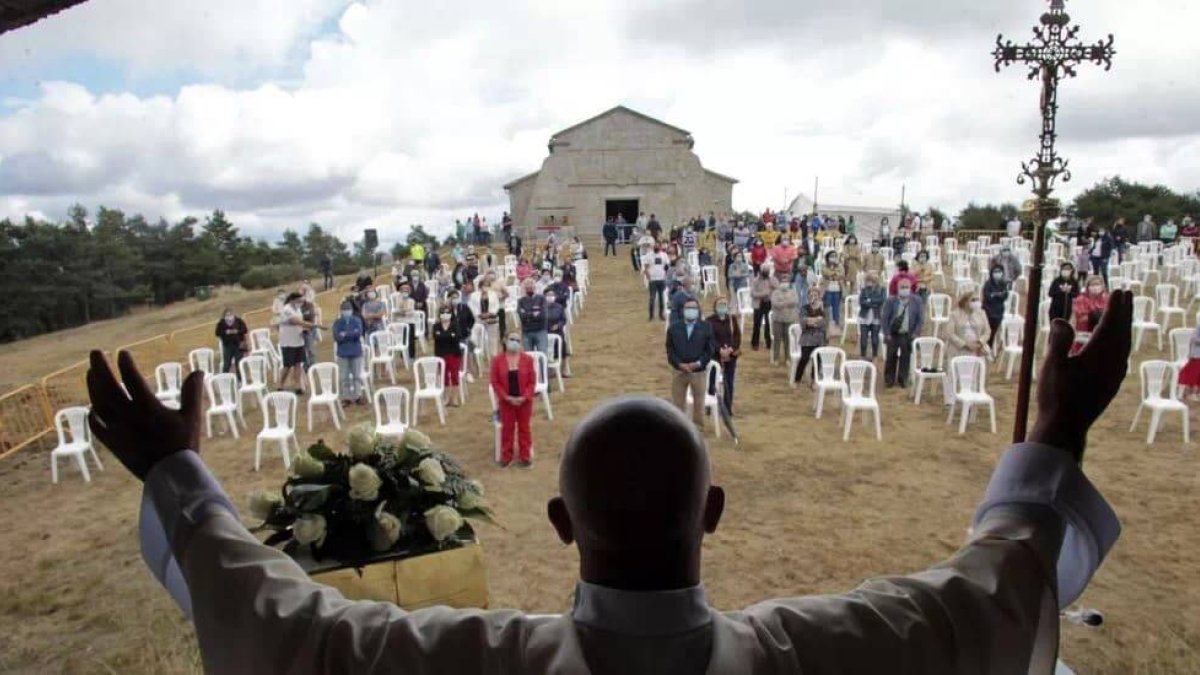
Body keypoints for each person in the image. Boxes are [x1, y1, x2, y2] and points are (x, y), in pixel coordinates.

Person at [87, 278, 1131, 673]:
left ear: (558, 524)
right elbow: (991, 595)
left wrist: (178, 472)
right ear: (712, 513)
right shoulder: (825, 655)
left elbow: (286, 628)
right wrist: (1056, 429)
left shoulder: (467, 662)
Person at [665, 298, 715, 427]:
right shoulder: (674, 328)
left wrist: (698, 363)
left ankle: (698, 430)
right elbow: (670, 351)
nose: (690, 311)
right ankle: (679, 428)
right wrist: (679, 364)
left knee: (699, 404)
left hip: (698, 373)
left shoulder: (706, 327)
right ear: (683, 310)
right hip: (679, 372)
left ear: (698, 311)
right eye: (688, 308)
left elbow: (709, 351)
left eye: (693, 308)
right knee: (678, 404)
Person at [944, 292, 993, 406]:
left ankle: (970, 399)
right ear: (966, 302)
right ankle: (950, 400)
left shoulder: (981, 313)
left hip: (975, 349)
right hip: (957, 349)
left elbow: (987, 331)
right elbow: (950, 333)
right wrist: (965, 344)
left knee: (973, 374)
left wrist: (980, 342)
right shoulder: (954, 314)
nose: (976, 302)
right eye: (973, 300)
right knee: (953, 374)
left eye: (977, 299)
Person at [880, 279, 924, 389]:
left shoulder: (917, 300)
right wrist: (886, 333)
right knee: (891, 356)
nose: (904, 290)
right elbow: (884, 318)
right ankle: (889, 379)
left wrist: (916, 333)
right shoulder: (891, 301)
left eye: (906, 287)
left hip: (907, 334)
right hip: (893, 333)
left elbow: (920, 319)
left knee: (905, 356)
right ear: (898, 289)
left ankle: (902, 378)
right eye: (902, 287)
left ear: (910, 288)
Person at [706, 297, 740, 414]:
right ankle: (709, 406)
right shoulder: (709, 321)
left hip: (731, 356)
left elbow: (737, 336)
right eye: (720, 304)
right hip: (714, 356)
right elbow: (709, 338)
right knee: (712, 381)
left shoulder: (732, 319)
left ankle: (727, 408)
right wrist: (719, 350)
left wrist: (731, 349)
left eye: (725, 304)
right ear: (715, 307)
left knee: (729, 382)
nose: (723, 307)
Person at [331, 302, 367, 407]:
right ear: (341, 311)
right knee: (344, 377)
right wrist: (350, 334)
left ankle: (357, 396)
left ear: (351, 311)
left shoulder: (356, 320)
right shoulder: (337, 322)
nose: (346, 312)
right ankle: (346, 397)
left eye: (348, 309)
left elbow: (358, 333)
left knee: (357, 375)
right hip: (343, 353)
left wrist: (345, 334)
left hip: (356, 352)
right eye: (344, 310)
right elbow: (337, 337)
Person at [277, 292, 313, 395]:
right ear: (293, 300)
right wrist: (312, 325)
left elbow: (300, 322)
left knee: (298, 363)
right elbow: (295, 321)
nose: (300, 303)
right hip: (288, 341)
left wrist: (304, 329)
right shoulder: (286, 309)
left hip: (298, 340)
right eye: (299, 301)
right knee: (287, 365)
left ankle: (297, 386)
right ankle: (280, 384)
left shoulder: (297, 309)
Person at [792, 287, 827, 386]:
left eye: (815, 295)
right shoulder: (804, 308)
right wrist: (815, 320)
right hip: (807, 338)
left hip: (819, 338)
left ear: (819, 297)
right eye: (811, 295)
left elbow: (824, 323)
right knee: (804, 358)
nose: (813, 297)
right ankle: (797, 379)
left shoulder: (823, 309)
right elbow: (803, 322)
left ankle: (813, 380)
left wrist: (811, 320)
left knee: (818, 359)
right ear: (808, 297)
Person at [431, 308, 464, 407]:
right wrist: (450, 335)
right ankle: (446, 398)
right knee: (444, 376)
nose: (445, 315)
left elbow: (457, 337)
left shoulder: (456, 325)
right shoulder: (436, 326)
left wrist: (443, 335)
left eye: (447, 313)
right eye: (443, 313)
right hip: (441, 354)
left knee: (454, 375)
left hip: (454, 354)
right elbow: (436, 337)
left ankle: (454, 398)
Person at [1072, 275, 1110, 354]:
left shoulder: (1107, 299)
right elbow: (1082, 318)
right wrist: (1095, 314)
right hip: (1085, 332)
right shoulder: (1081, 299)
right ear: (1088, 286)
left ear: (1102, 286)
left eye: (1098, 284)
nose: (1095, 287)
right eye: (1092, 285)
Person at [769, 273, 799, 367]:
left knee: (788, 339)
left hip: (789, 319)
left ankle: (788, 358)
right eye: (783, 281)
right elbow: (775, 303)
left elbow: (795, 301)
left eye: (786, 281)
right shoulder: (775, 292)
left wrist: (783, 302)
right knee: (777, 339)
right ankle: (776, 358)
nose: (784, 283)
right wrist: (786, 303)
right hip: (778, 319)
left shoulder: (793, 291)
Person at [857, 272, 886, 361]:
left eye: (872, 281)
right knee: (863, 338)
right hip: (864, 316)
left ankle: (875, 356)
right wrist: (873, 303)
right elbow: (862, 302)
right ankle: (863, 356)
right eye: (868, 280)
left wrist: (870, 301)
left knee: (874, 338)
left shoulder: (882, 289)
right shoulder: (864, 290)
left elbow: (881, 300)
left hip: (876, 316)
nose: (870, 283)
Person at [982, 265, 1011, 352]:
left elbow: (1005, 296)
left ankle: (988, 348)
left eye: (999, 271)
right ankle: (983, 347)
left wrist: (996, 294)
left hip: (998, 312)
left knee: (993, 332)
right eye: (995, 272)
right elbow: (988, 297)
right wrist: (997, 295)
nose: (997, 274)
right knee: (987, 331)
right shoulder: (988, 284)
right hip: (988, 311)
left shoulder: (1003, 284)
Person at [544, 289, 571, 377]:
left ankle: (565, 369)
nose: (550, 297)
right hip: (546, 332)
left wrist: (558, 325)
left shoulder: (559, 307)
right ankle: (550, 370)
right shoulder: (542, 307)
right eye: (548, 295)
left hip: (557, 332)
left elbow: (563, 319)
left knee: (563, 347)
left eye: (552, 295)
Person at [516, 279, 548, 354]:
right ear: (524, 288)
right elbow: (522, 316)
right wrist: (534, 314)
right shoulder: (521, 301)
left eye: (531, 285)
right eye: (527, 285)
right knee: (528, 356)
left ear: (535, 286)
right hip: (526, 332)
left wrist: (527, 313)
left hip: (540, 330)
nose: (529, 287)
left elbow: (542, 315)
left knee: (542, 354)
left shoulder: (542, 299)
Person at [214, 309, 248, 376]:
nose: (229, 316)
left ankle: (240, 380)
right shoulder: (221, 323)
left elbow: (245, 330)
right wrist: (225, 332)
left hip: (238, 345)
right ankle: (223, 379)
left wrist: (237, 331)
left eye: (230, 314)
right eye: (227, 315)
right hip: (227, 346)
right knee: (227, 364)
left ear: (233, 314)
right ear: (224, 316)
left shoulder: (239, 321)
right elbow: (217, 333)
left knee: (238, 363)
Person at [749, 267, 775, 350]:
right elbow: (752, 293)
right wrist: (764, 294)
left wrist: (771, 293)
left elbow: (775, 289)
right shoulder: (755, 280)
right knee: (757, 324)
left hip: (768, 303)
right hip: (758, 304)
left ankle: (768, 342)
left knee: (768, 324)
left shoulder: (770, 280)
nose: (766, 274)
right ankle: (755, 343)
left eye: (767, 272)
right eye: (765, 272)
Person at [643, 245, 669, 321]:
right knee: (652, 298)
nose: (657, 247)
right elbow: (646, 267)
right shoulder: (649, 255)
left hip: (661, 279)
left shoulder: (664, 255)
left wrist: (665, 275)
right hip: (653, 279)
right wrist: (649, 277)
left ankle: (661, 314)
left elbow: (667, 266)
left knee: (661, 298)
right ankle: (651, 315)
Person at [1177, 323, 1200, 401]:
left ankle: (1195, 392)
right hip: (1197, 355)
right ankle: (1191, 393)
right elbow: (1194, 338)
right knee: (1194, 373)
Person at [821, 251, 844, 328]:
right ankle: (826, 324)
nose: (833, 258)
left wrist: (833, 274)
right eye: (831, 256)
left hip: (837, 290)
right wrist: (834, 273)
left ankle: (836, 324)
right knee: (827, 308)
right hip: (827, 290)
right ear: (828, 257)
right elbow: (826, 273)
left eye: (835, 256)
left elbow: (842, 275)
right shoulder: (824, 265)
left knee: (836, 308)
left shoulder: (840, 265)